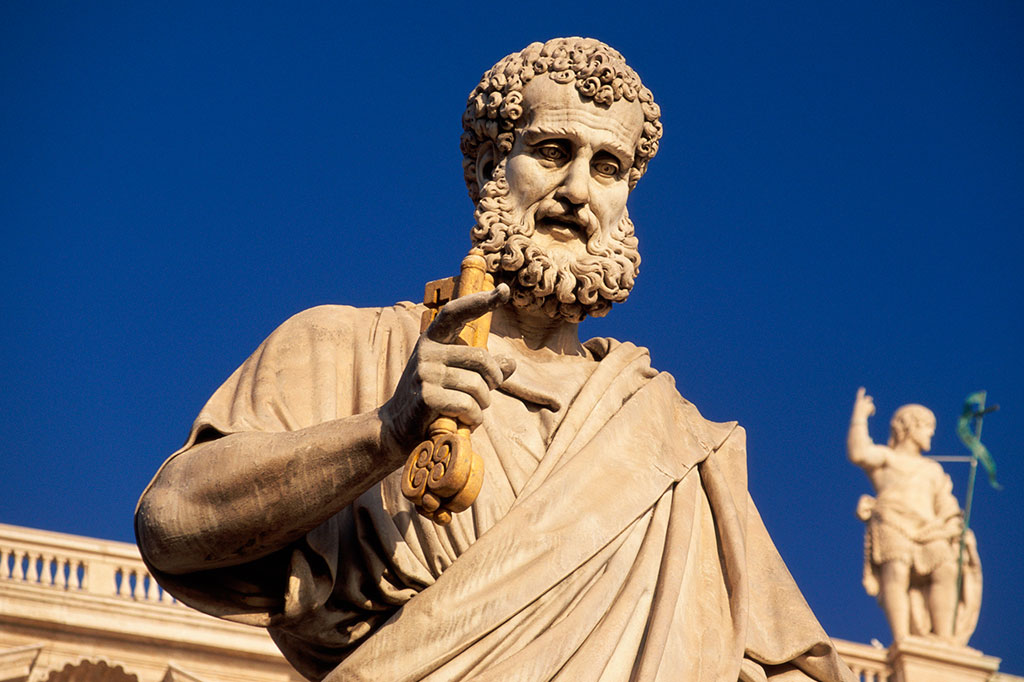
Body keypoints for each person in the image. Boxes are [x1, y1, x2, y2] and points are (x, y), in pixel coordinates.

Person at [136, 38, 854, 681]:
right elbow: (172, 523)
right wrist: (386, 431)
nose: (577, 190)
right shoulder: (350, 348)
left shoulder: (678, 444)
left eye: (608, 167)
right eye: (551, 152)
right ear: (487, 167)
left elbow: (778, 662)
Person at [847, 387, 980, 645]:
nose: (931, 432)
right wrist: (860, 416)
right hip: (892, 522)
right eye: (926, 427)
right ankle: (903, 638)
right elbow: (858, 452)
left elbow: (947, 505)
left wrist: (953, 523)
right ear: (908, 427)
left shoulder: (932, 470)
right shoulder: (887, 458)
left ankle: (944, 641)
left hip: (930, 530)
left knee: (947, 569)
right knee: (896, 571)